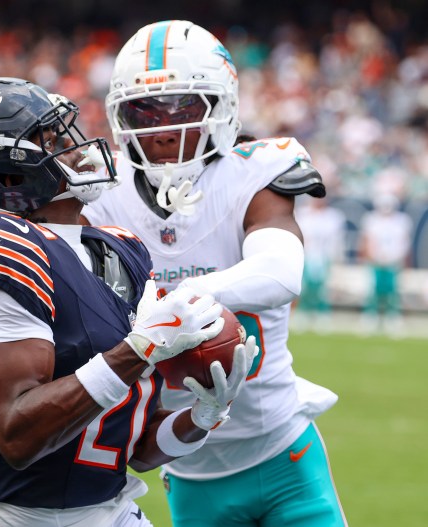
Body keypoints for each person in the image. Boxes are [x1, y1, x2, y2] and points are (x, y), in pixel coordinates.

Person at [0, 77, 257, 527]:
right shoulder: (1, 243)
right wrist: (137, 350)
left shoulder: (121, 248)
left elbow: (134, 448)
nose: (76, 147)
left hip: (115, 511)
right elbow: (20, 435)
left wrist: (203, 416)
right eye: (53, 140)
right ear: (10, 177)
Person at [82, 20, 347, 526]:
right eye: (142, 110)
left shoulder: (253, 172)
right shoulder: (99, 194)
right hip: (186, 464)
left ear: (220, 107)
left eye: (180, 107)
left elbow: (281, 272)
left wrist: (185, 299)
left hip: (283, 449)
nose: (160, 126)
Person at [358, 193, 413, 335]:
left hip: (394, 262)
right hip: (375, 261)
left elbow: (404, 242)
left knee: (392, 291)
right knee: (372, 290)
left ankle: (392, 317)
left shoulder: (401, 221)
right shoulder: (371, 220)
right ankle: (371, 316)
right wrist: (370, 256)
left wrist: (399, 258)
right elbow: (366, 241)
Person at [294, 196, 347, 332]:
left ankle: (322, 313)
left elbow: (336, 241)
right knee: (304, 287)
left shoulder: (333, 217)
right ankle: (303, 313)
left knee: (322, 288)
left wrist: (336, 258)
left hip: (324, 256)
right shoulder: (302, 214)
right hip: (306, 255)